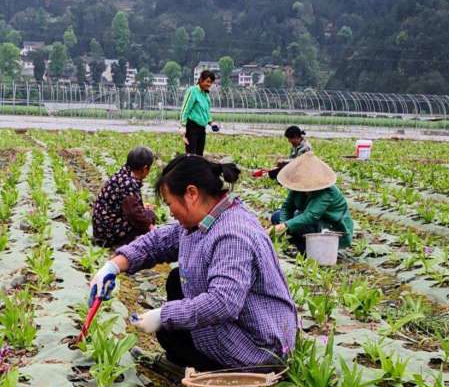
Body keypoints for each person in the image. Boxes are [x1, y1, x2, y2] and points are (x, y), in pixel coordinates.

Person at [88, 154, 297, 371]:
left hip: (259, 348)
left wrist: (163, 315)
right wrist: (113, 266)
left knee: (173, 320)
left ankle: (213, 371)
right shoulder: (208, 218)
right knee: (178, 282)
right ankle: (189, 361)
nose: (170, 211)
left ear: (191, 193)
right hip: (244, 327)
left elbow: (223, 303)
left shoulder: (233, 234)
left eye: (170, 203)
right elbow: (159, 241)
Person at [269, 151, 354, 255]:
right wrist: (283, 225)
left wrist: (284, 226)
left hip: (330, 228)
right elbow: (287, 207)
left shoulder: (327, 192)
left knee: (298, 221)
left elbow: (310, 216)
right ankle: (301, 247)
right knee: (277, 216)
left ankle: (309, 252)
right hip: (311, 223)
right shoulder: (298, 187)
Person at [91, 146, 157, 248]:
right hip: (108, 233)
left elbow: (128, 205)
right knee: (149, 216)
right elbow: (134, 214)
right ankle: (126, 244)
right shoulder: (128, 183)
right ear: (145, 169)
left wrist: (143, 208)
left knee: (145, 213)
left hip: (101, 228)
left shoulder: (123, 174)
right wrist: (152, 228)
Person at [179, 70, 220, 156]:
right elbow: (185, 109)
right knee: (192, 155)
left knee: (199, 155)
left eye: (211, 83)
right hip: (192, 128)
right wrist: (183, 126)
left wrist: (211, 123)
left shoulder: (206, 95)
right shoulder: (193, 91)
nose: (209, 84)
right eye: (207, 81)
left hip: (202, 129)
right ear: (201, 80)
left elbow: (206, 112)